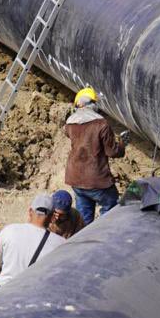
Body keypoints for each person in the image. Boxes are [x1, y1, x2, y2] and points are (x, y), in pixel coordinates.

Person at [63, 87, 124, 224]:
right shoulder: (101, 124)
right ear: (92, 104)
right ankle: (104, 233)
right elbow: (112, 152)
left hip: (76, 178)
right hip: (97, 179)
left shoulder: (69, 123)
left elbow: (69, 134)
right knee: (111, 208)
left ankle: (86, 236)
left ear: (78, 105)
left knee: (84, 219)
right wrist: (121, 145)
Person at [0, 193, 62, 287]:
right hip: (37, 291)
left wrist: (6, 273)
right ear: (52, 217)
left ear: (30, 211)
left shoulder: (9, 230)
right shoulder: (59, 243)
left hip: (6, 289)